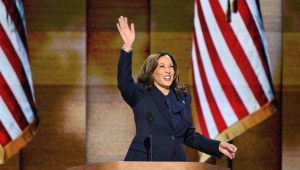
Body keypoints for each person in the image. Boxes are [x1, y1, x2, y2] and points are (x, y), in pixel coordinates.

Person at [116, 16, 237, 161]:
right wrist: (127, 47)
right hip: (144, 163)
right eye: (162, 66)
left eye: (171, 67)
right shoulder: (141, 94)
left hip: (176, 164)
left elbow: (188, 135)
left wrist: (216, 146)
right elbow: (124, 83)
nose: (168, 71)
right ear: (152, 72)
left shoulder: (183, 98)